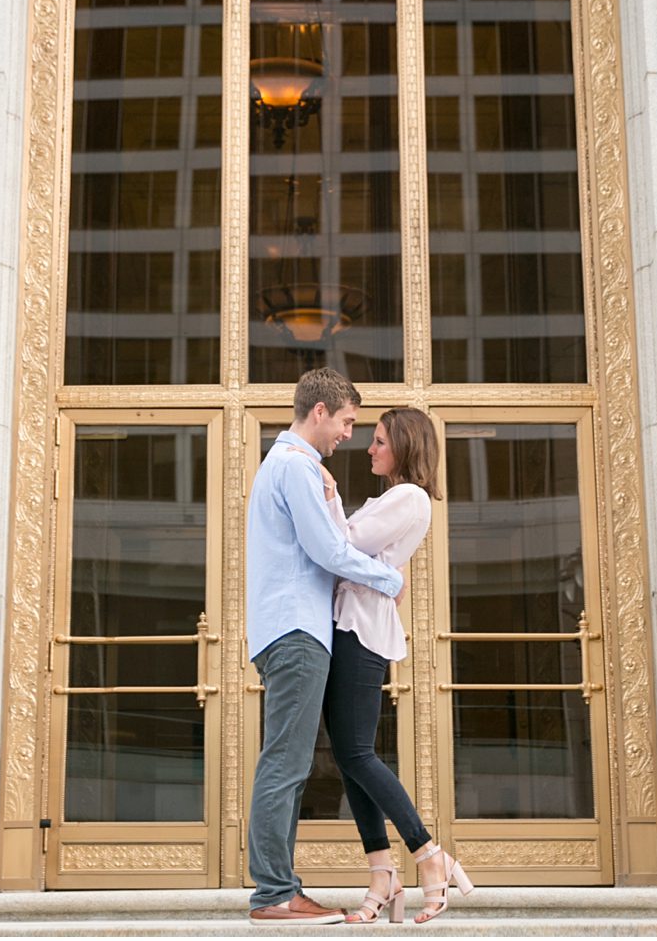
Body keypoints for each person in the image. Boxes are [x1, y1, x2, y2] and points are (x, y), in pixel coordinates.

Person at [244, 367, 405, 926]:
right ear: (319, 412)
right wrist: (390, 581)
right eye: (346, 422)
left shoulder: (293, 467)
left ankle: (280, 889)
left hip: (291, 630)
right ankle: (273, 894)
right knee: (285, 765)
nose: (348, 435)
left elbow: (326, 542)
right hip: (296, 633)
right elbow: (328, 550)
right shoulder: (293, 467)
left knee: (287, 764)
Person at [318, 407, 472, 926]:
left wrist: (331, 498)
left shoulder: (409, 498)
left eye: (379, 440)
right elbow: (369, 561)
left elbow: (342, 547)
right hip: (352, 626)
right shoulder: (396, 499)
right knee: (347, 756)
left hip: (361, 631)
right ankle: (383, 873)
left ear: (403, 446)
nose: (369, 448)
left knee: (357, 753)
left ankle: (429, 855)